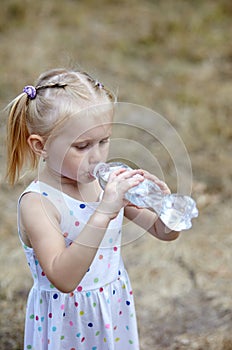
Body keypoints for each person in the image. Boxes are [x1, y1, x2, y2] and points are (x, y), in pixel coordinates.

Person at [6, 68, 180, 350]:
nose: (97, 156)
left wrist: (165, 206)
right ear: (41, 146)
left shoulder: (106, 184)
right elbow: (64, 278)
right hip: (66, 322)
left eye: (104, 141)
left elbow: (164, 232)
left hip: (110, 311)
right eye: (82, 146)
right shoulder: (38, 203)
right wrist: (103, 212)